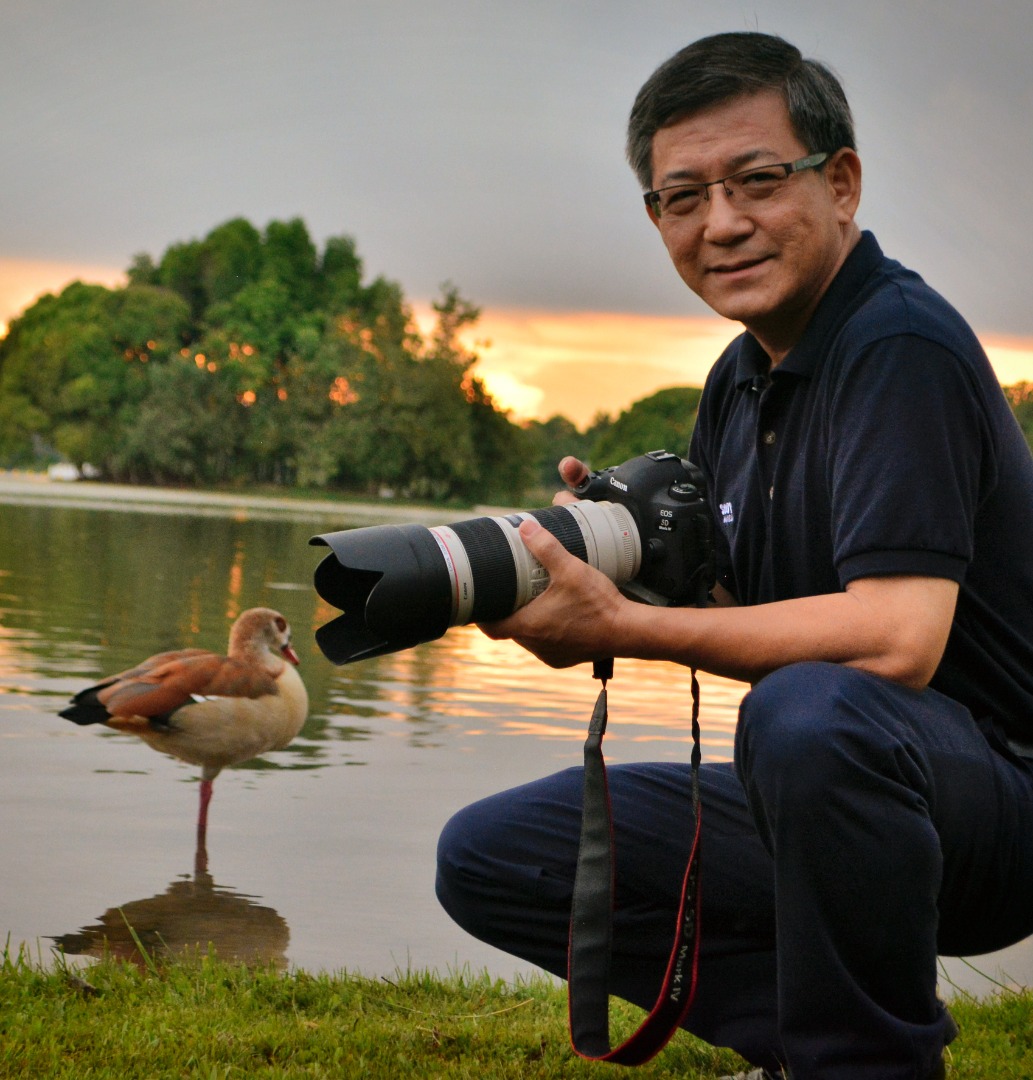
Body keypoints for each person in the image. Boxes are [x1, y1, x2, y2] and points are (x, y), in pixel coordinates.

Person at [435, 31, 1033, 1080]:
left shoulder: (900, 346)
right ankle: (812, 1045)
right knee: (496, 855)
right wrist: (592, 557)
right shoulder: (740, 375)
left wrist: (625, 630)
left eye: (756, 180)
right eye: (682, 196)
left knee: (804, 711)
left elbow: (897, 641)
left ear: (840, 182)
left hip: (997, 807)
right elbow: (735, 595)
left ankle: (867, 1062)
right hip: (843, 789)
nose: (721, 223)